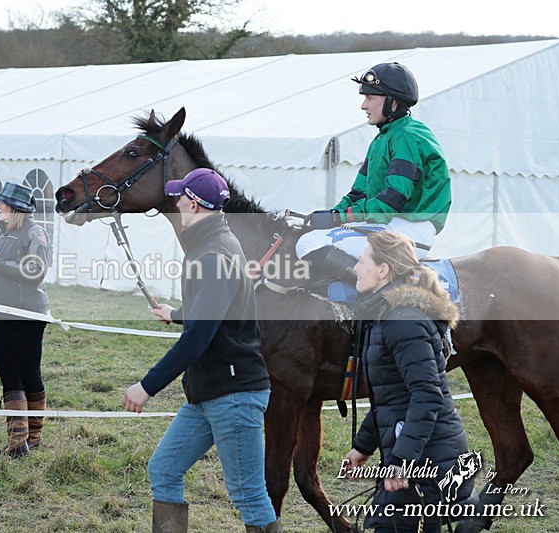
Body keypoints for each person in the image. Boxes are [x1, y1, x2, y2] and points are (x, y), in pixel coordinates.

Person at [122, 168, 281, 533]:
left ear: (193, 204)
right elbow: (218, 309)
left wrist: (146, 387)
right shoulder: (216, 242)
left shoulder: (212, 254)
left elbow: (198, 339)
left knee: (248, 493)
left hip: (233, 395)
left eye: (180, 197)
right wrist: (177, 313)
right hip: (208, 391)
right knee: (163, 468)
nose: (175, 202)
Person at [341, 231, 477, 533]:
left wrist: (402, 460)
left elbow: (427, 396)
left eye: (362, 261)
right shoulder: (388, 315)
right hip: (414, 456)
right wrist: (363, 446)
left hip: (427, 464)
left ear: (383, 270)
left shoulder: (402, 321)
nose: (355, 268)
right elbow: (391, 398)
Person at [296, 62, 451, 286]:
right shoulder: (383, 138)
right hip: (393, 224)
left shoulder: (407, 136)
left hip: (411, 230)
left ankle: (376, 294)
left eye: (370, 98)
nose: (363, 105)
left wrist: (336, 218)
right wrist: (332, 213)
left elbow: (391, 201)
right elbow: (358, 194)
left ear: (393, 102)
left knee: (309, 244)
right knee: (315, 235)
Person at [0, 182, 51, 458]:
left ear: (15, 208)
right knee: (9, 374)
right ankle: (19, 442)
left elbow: (34, 272)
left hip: (26, 315)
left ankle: (28, 441)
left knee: (27, 373)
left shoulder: (36, 234)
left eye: (2, 203)